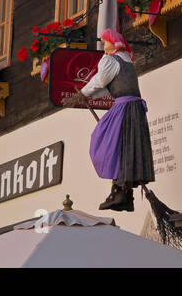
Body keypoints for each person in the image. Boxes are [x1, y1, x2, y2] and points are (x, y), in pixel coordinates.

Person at [64, 28, 153, 212]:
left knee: (105, 140)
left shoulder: (110, 60)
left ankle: (119, 192)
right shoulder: (127, 60)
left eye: (105, 42)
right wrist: (88, 95)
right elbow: (110, 85)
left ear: (113, 43)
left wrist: (82, 93)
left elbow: (100, 80)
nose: (103, 46)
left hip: (124, 107)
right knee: (126, 147)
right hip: (134, 108)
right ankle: (124, 193)